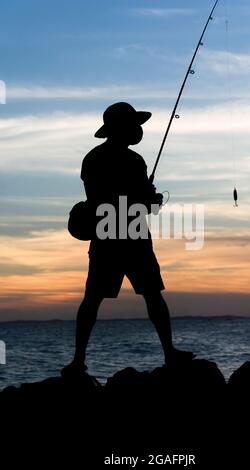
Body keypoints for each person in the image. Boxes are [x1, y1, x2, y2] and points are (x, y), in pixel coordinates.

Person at [62, 102, 195, 377]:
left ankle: (78, 362)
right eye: (134, 124)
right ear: (121, 128)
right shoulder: (133, 161)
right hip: (130, 236)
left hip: (109, 235)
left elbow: (100, 199)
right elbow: (132, 202)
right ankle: (169, 353)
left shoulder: (94, 158)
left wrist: (145, 199)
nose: (138, 129)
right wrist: (148, 199)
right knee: (149, 296)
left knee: (95, 299)